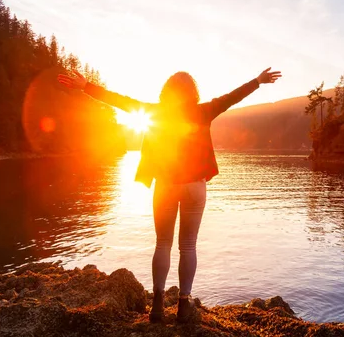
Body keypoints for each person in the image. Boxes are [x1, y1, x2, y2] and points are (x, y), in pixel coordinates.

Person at [58, 67, 281, 323]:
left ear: (166, 92)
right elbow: (233, 96)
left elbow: (119, 101)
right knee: (188, 245)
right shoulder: (203, 111)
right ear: (192, 92)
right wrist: (257, 81)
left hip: (165, 184)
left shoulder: (155, 112)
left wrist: (86, 86)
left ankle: (157, 306)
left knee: (162, 243)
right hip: (194, 187)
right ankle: (184, 305)